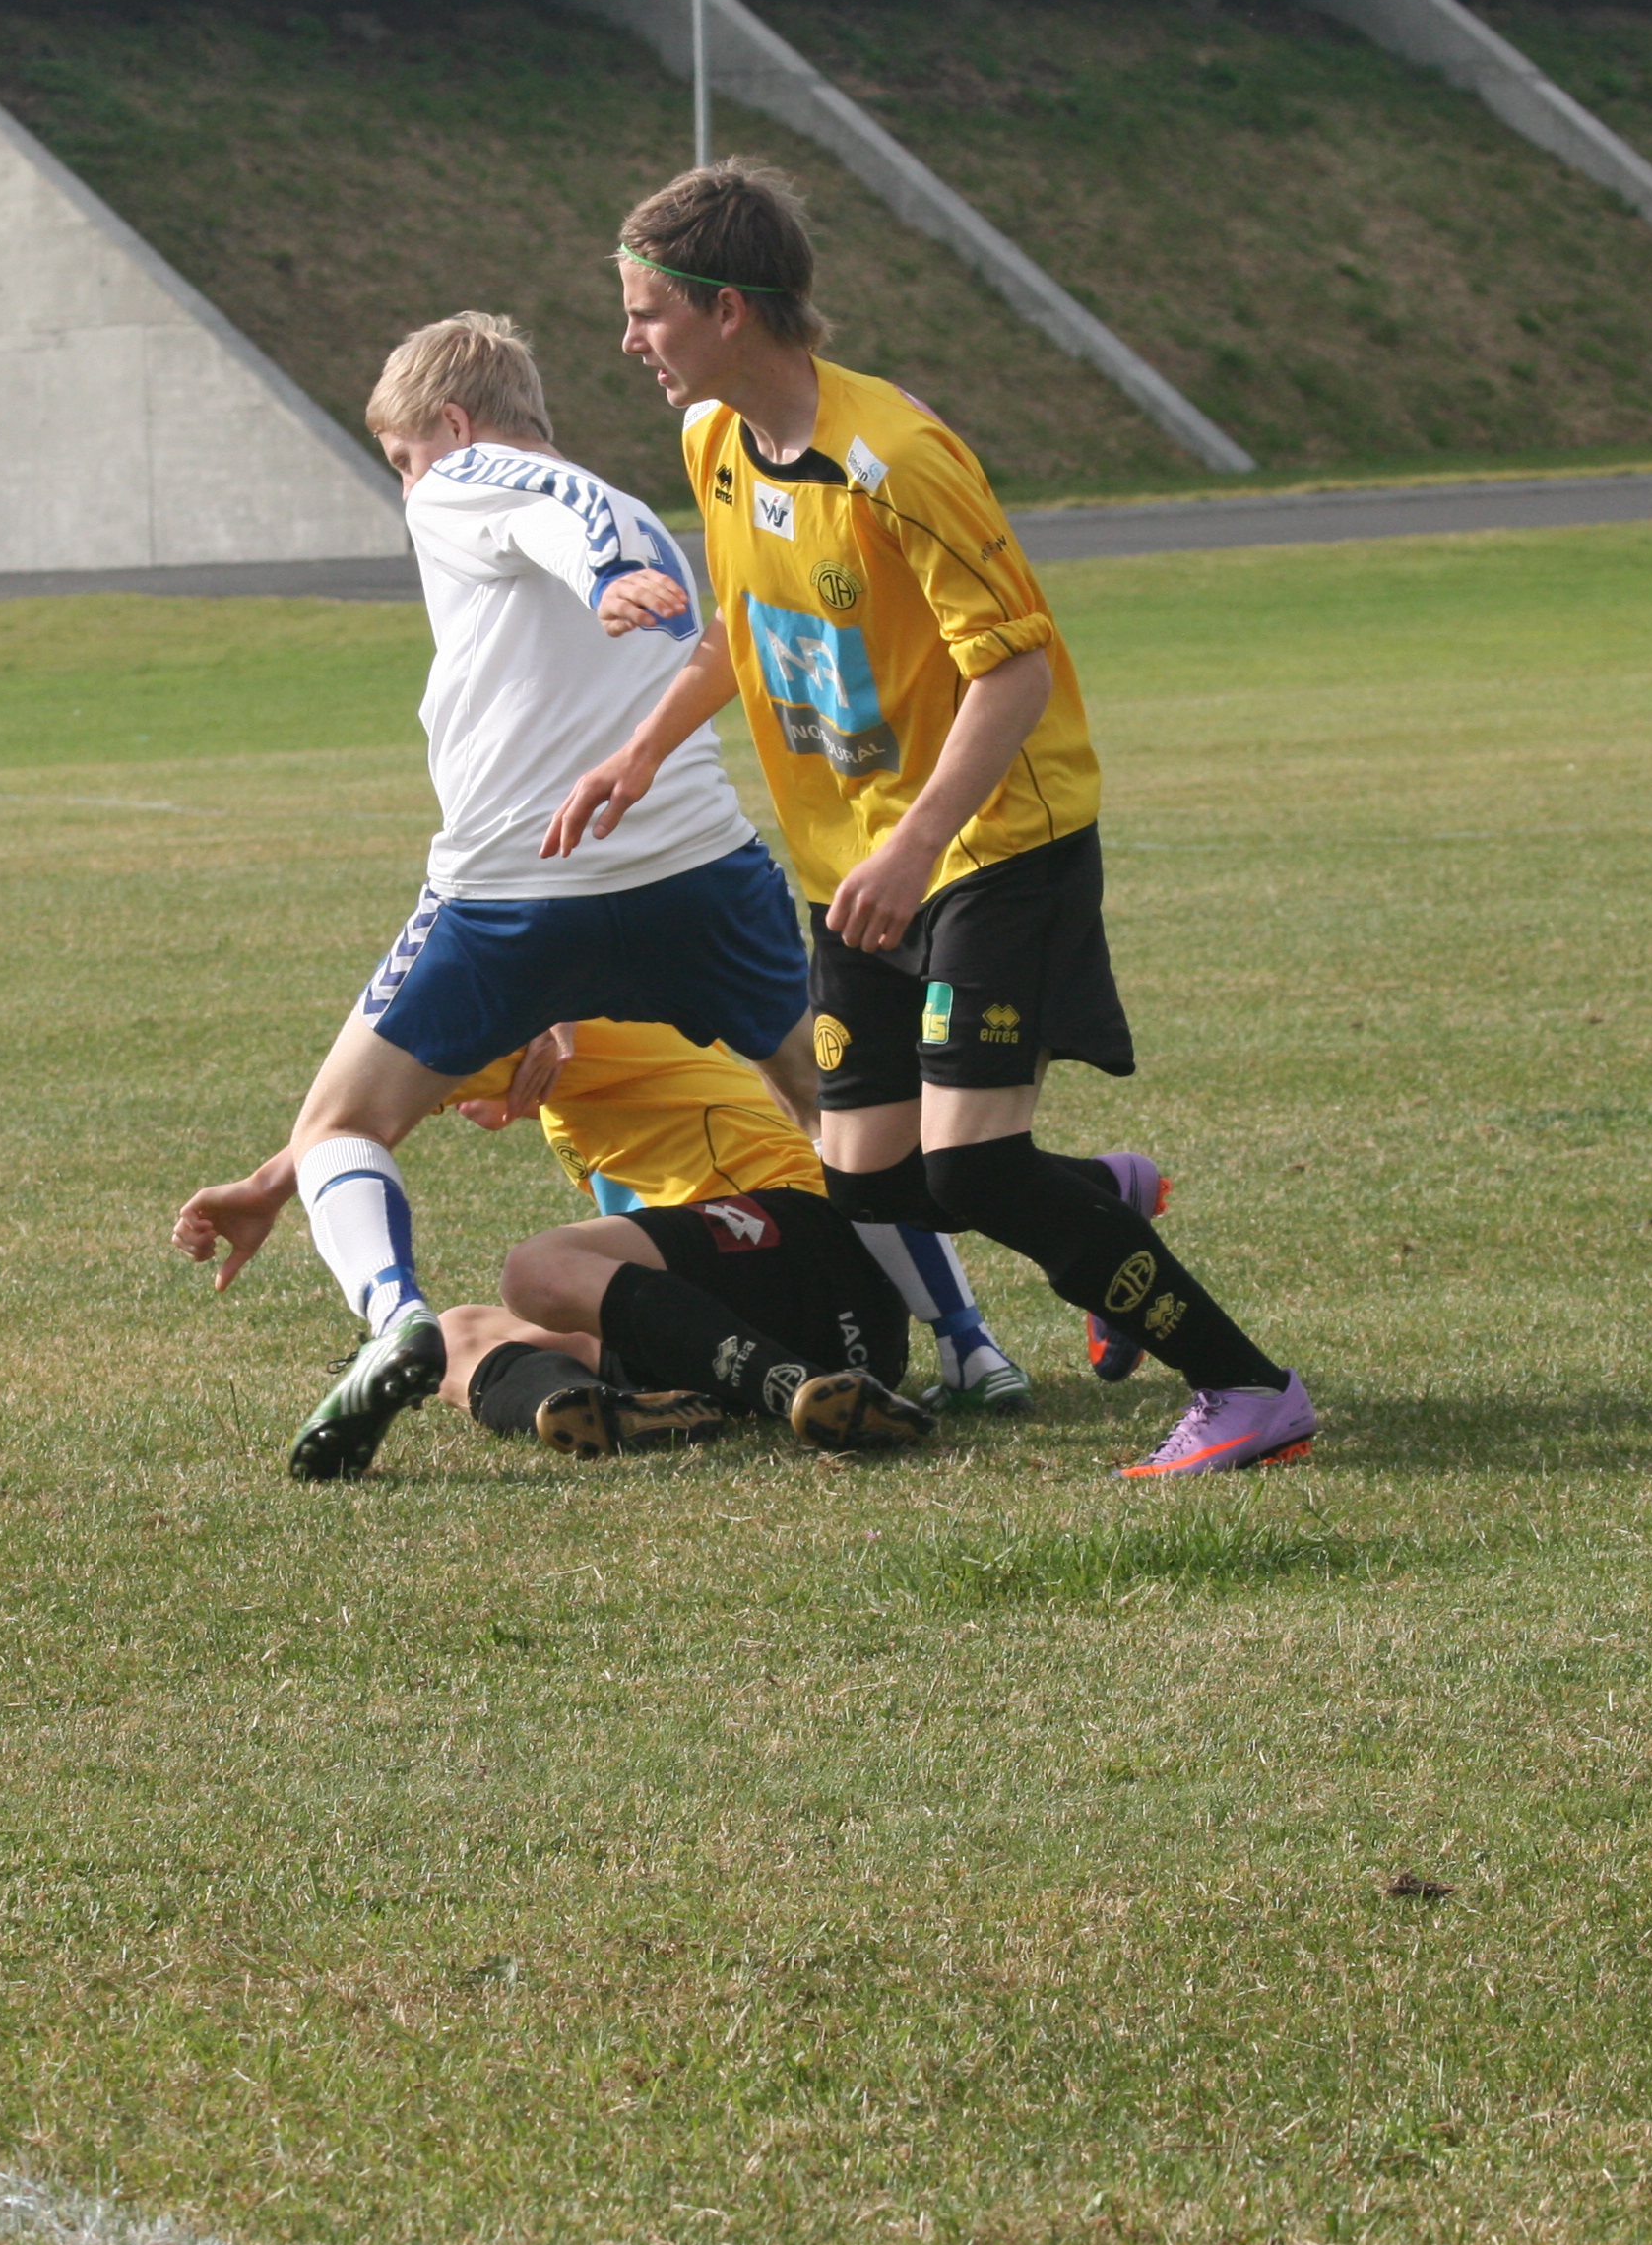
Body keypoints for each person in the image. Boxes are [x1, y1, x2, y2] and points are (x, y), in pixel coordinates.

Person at [549, 164, 1316, 1477]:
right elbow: (744, 623)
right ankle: (1101, 1199)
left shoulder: (898, 460)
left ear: (728, 309)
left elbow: (1015, 672)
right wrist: (639, 752)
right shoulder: (715, 442)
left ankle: (1248, 1387)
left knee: (972, 1172)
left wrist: (915, 848)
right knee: (869, 1178)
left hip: (991, 846)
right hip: (855, 866)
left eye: (646, 312)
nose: (629, 341)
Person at [172, 311, 820, 1480]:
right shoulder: (641, 516)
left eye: (402, 459)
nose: (409, 489)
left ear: (453, 424)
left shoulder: (472, 481)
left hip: (518, 888)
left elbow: (546, 508)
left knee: (343, 1127)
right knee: (840, 1104)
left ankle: (393, 1318)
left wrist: (603, 573)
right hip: (697, 874)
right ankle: (969, 1342)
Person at [177, 1020, 945, 1464]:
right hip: (756, 1318)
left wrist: (262, 1189)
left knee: (538, 1270)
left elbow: (372, 1097)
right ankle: (602, 1408)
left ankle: (795, 1388)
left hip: (813, 1248)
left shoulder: (573, 1023)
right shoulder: (570, 1068)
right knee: (457, 1332)